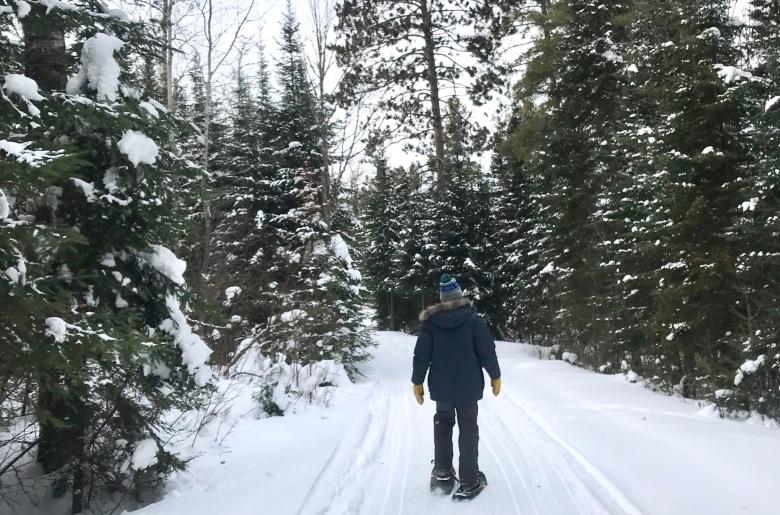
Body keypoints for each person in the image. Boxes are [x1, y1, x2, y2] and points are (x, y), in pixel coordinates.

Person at [411, 273, 501, 500]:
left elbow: (422, 355)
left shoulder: (430, 323)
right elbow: (487, 351)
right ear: (460, 295)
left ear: (442, 298)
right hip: (468, 387)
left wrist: (417, 381)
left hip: (442, 387)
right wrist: (495, 376)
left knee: (443, 423)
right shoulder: (473, 320)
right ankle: (469, 481)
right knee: (468, 428)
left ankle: (442, 474)